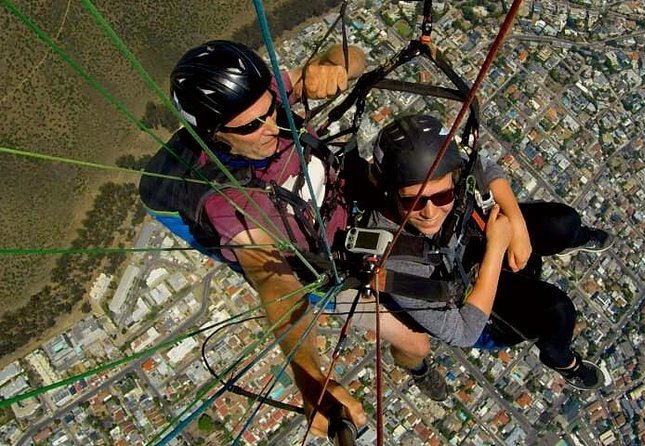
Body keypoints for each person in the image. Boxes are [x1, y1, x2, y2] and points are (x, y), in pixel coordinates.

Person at [139, 40, 369, 436]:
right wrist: (309, 377)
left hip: (346, 206)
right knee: (414, 342)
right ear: (214, 135)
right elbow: (274, 280)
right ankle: (417, 366)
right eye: (250, 127)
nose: (272, 127)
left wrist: (330, 64)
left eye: (272, 111)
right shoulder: (227, 202)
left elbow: (355, 58)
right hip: (329, 261)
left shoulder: (259, 101)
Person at [337, 114, 612, 392]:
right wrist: (496, 247)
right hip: (477, 301)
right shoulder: (394, 256)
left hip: (482, 238)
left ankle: (576, 237)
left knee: (565, 223)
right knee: (558, 311)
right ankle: (564, 362)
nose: (430, 212)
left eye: (442, 196)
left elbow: (484, 168)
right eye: (413, 202)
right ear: (388, 192)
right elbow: (464, 331)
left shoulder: (443, 171)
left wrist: (515, 223)